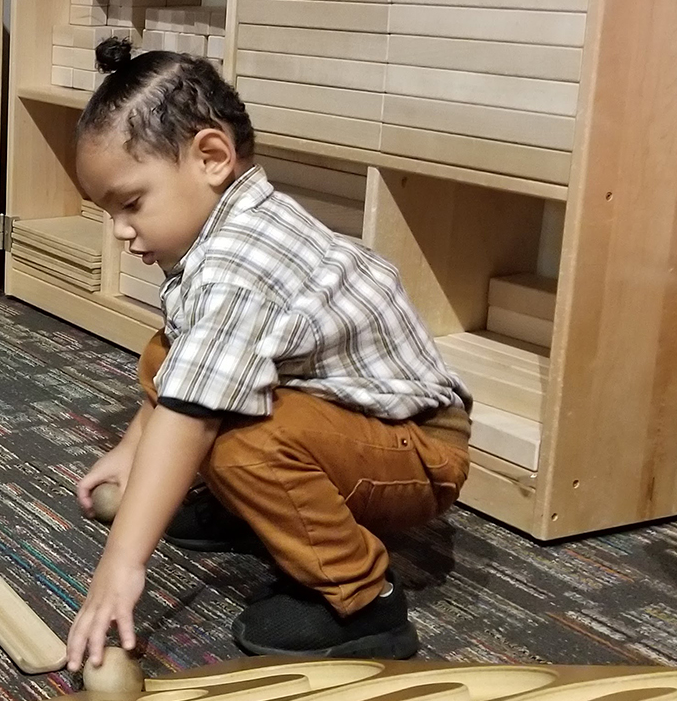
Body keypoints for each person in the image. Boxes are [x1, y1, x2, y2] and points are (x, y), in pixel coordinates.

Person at [65, 39, 472, 669]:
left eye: (131, 202)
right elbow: (177, 368)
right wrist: (129, 452)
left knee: (236, 442)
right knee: (168, 353)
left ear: (211, 157)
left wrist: (121, 563)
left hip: (417, 452)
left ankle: (364, 604)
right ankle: (252, 508)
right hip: (346, 419)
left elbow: (189, 413)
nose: (119, 230)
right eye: (108, 210)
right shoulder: (223, 232)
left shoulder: (240, 267)